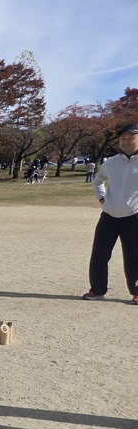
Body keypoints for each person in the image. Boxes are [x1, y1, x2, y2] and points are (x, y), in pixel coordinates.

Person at [83, 123, 138, 305]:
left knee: (134, 256)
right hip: (109, 216)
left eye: (131, 138)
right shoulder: (111, 162)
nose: (126, 141)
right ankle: (97, 290)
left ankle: (136, 291)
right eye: (123, 138)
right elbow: (98, 181)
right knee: (99, 253)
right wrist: (101, 199)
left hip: (134, 217)